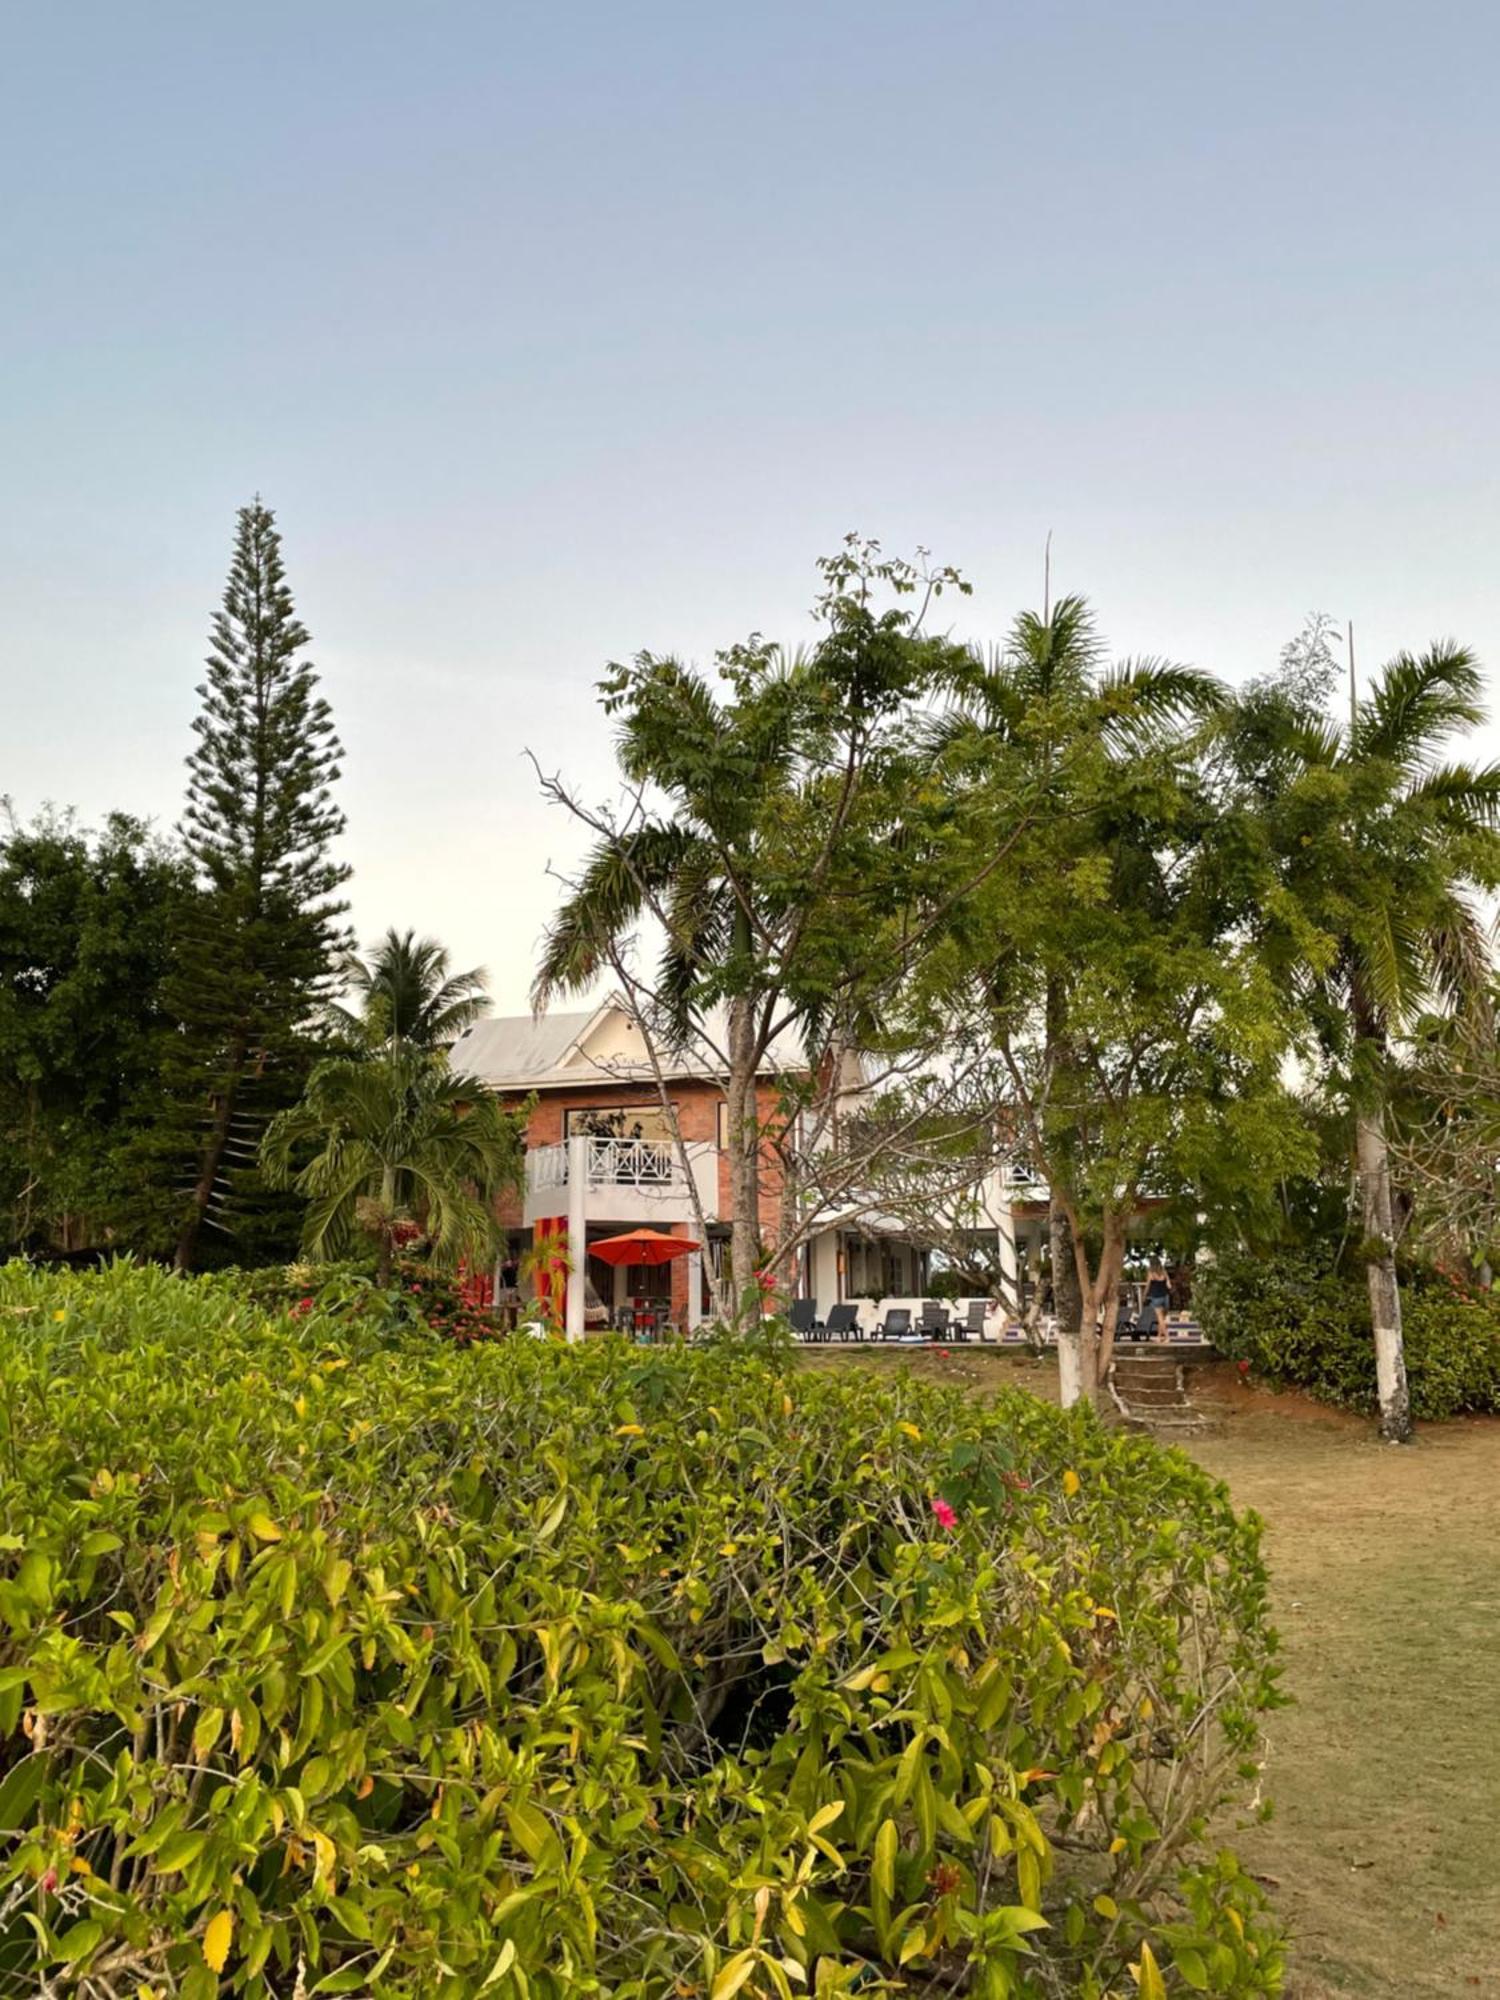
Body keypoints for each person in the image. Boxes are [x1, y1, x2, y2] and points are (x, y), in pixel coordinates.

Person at [1136, 1258, 1172, 1342]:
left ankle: (1167, 1337)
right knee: (1162, 1318)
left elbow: (1148, 1286)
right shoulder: (1164, 1271)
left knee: (1160, 1318)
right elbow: (1169, 1285)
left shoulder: (1151, 1273)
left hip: (1156, 1297)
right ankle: (1159, 1337)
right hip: (1165, 1297)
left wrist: (1144, 1295)